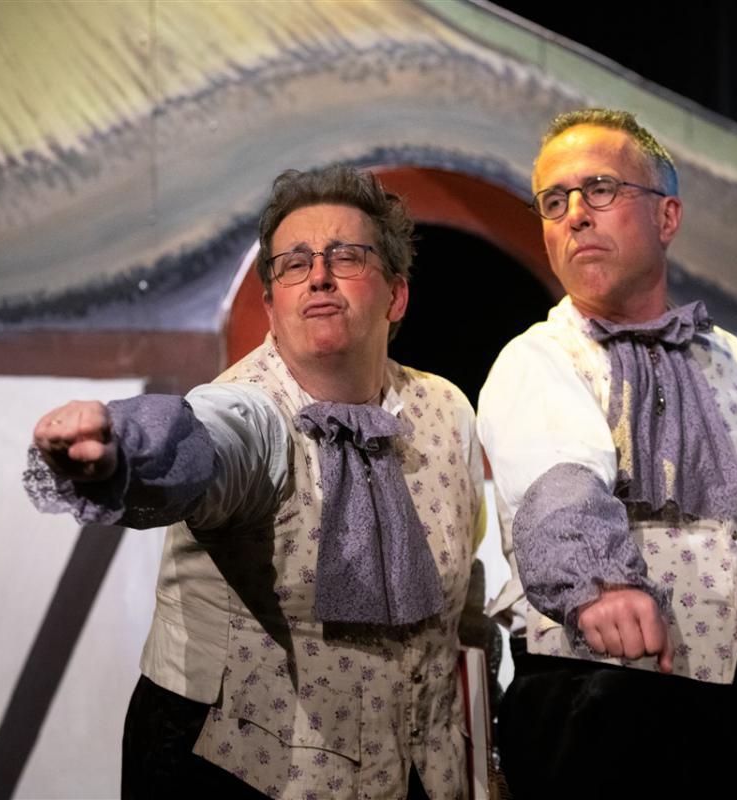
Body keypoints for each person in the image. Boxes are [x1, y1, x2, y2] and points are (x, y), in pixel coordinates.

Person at [25, 165, 485, 799]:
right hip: (235, 766)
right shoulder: (254, 406)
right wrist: (125, 449)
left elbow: (462, 590)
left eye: (346, 257)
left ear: (396, 295)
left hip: (414, 766)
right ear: (270, 305)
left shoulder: (445, 410)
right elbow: (209, 439)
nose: (318, 276)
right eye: (294, 264)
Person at [478, 109, 737, 798]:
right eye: (554, 200)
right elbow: (559, 481)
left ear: (667, 217)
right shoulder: (540, 358)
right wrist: (601, 586)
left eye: (600, 189)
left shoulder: (736, 364)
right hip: (602, 701)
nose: (575, 215)